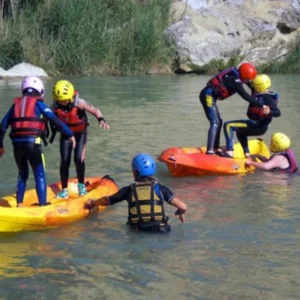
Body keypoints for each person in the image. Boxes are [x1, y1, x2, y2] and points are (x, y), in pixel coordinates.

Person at [0, 76, 76, 207]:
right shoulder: (39, 104)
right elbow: (54, 120)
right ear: (39, 90)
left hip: (17, 145)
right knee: (39, 174)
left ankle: (19, 204)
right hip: (32, 144)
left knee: (22, 174)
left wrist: (0, 145)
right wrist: (70, 134)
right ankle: (42, 204)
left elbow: (2, 126)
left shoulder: (15, 105)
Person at [84, 153, 187, 232]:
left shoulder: (129, 190)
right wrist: (180, 212)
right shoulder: (160, 189)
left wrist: (93, 203)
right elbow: (183, 207)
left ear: (135, 172)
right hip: (160, 230)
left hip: (138, 231)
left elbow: (107, 200)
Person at [50, 80, 110, 199]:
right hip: (66, 136)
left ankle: (81, 186)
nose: (62, 102)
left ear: (71, 96)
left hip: (80, 134)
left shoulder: (80, 103)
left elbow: (95, 110)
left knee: (78, 159)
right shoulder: (54, 106)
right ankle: (64, 190)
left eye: (64, 100)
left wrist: (101, 120)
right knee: (64, 161)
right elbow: (45, 116)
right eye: (59, 100)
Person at [199, 62, 268, 155]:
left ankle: (215, 147)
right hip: (207, 95)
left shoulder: (236, 76)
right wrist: (261, 105)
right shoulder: (235, 81)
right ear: (244, 75)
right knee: (215, 122)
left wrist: (258, 89)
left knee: (219, 121)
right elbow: (245, 95)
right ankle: (210, 150)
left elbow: (250, 85)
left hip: (211, 96)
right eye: (247, 79)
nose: (248, 81)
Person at [222, 74, 281, 158]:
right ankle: (247, 154)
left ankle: (230, 152)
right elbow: (248, 82)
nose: (254, 88)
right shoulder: (261, 93)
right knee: (240, 133)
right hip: (260, 127)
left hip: (257, 125)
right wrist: (238, 75)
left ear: (259, 87)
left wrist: (269, 112)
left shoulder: (268, 97)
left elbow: (278, 112)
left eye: (255, 86)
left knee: (228, 125)